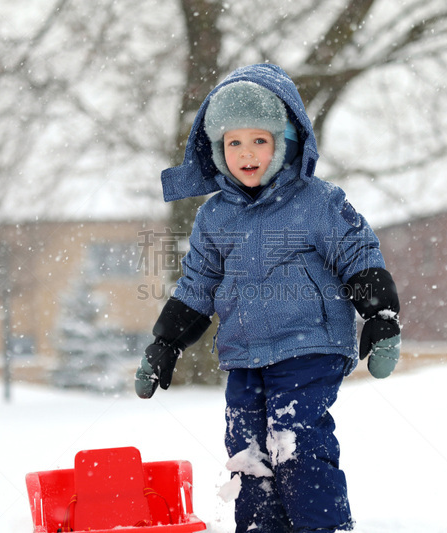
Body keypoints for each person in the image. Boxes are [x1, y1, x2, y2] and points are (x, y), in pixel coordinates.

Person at [135, 63, 401, 533]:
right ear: (218, 151)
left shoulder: (317, 201)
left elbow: (358, 253)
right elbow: (196, 286)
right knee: (247, 456)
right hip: (244, 355)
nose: (247, 153)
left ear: (285, 142)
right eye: (233, 142)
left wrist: (378, 314)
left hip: (308, 347)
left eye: (259, 140)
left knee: (295, 443)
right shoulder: (213, 218)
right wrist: (166, 343)